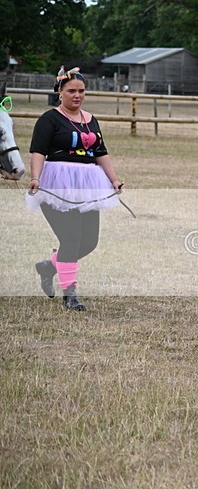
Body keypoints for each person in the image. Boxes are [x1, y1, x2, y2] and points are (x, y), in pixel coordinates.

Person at [27, 66, 123, 311]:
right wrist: (36, 177)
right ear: (60, 92)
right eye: (71, 91)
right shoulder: (49, 119)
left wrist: (113, 179)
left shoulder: (91, 120)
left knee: (89, 241)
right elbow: (38, 150)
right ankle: (70, 293)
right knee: (70, 238)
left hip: (88, 186)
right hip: (57, 185)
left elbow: (100, 152)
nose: (77, 95)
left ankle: (48, 266)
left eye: (81, 91)